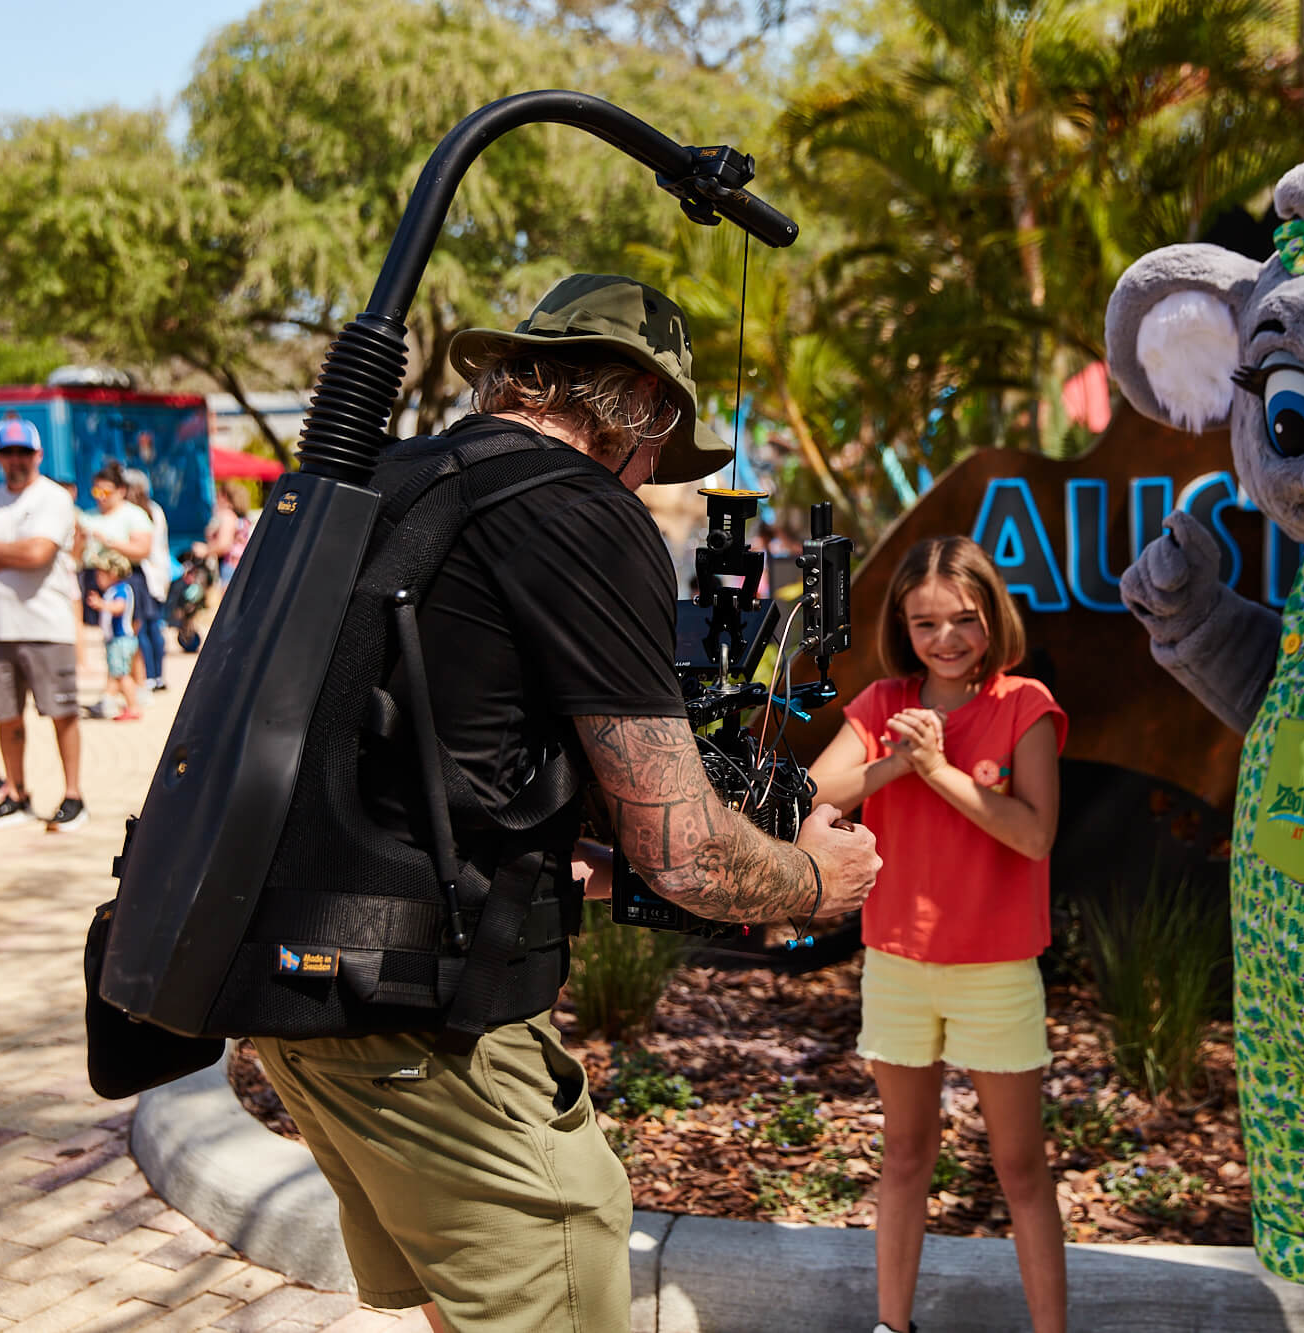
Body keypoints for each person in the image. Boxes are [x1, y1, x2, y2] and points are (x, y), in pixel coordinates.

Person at [247, 274, 881, 1333]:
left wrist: (556, 841)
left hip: (290, 994)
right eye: (653, 448)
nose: (644, 478)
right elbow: (683, 852)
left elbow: (412, 736)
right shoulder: (575, 507)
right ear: (635, 400)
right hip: (425, 1015)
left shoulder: (383, 482)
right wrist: (817, 880)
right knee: (568, 1266)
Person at [807, 535, 1069, 1333]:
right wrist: (899, 763)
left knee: (1021, 1167)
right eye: (926, 625)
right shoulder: (885, 704)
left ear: (992, 613)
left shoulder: (1025, 703)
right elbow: (815, 789)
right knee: (906, 1156)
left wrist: (939, 770)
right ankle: (894, 1324)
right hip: (897, 963)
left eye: (963, 619)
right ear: (902, 628)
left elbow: (1033, 834)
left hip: (995, 970)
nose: (947, 639)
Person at [0, 417, 86, 831]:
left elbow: (39, 555)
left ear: (38, 455)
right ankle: (16, 792)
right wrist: (12, 552)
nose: (17, 459)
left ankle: (74, 796)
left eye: (24, 452)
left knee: (61, 714)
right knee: (7, 718)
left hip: (47, 626)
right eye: (9, 452)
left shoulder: (54, 498)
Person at [84, 460, 159, 696]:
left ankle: (136, 686)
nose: (101, 496)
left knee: (130, 636)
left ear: (121, 491)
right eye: (97, 491)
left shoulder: (134, 515)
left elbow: (143, 549)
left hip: (128, 581)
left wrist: (109, 542)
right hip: (97, 579)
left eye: (106, 491)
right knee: (109, 637)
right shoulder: (89, 515)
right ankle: (118, 687)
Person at [122, 467, 171, 690]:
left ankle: (150, 675)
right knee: (154, 627)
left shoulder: (137, 513)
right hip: (159, 574)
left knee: (143, 626)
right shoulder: (155, 509)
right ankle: (157, 675)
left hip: (146, 574)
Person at [87, 551, 140, 722]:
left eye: (100, 574)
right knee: (115, 673)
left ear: (113, 574)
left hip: (121, 639)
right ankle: (106, 702)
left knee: (122, 675)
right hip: (115, 640)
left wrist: (102, 604)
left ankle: (133, 707)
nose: (97, 577)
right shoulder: (113, 590)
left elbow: (119, 607)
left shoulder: (121, 590)